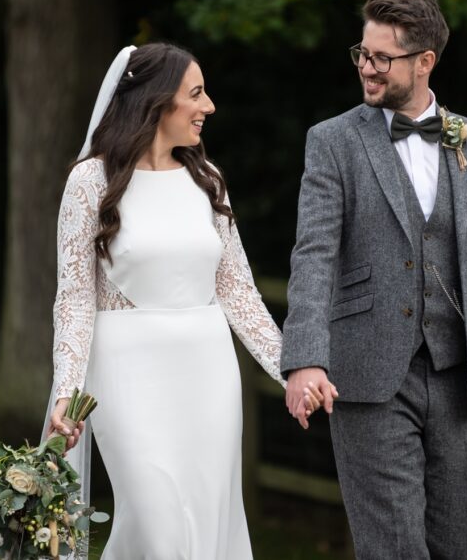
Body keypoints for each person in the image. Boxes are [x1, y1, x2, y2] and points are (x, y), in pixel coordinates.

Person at [42, 42, 313, 559]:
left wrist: (291, 371)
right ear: (155, 102)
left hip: (208, 374)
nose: (209, 106)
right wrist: (67, 391)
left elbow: (238, 292)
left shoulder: (207, 181)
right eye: (196, 93)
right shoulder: (89, 182)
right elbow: (74, 300)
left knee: (210, 522)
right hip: (125, 375)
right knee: (157, 523)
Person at [280, 0, 467, 559]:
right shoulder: (332, 141)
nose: (366, 67)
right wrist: (305, 357)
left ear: (424, 62)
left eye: (381, 58)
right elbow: (312, 254)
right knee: (392, 550)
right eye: (361, 53)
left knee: (456, 547)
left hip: (460, 380)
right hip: (367, 377)